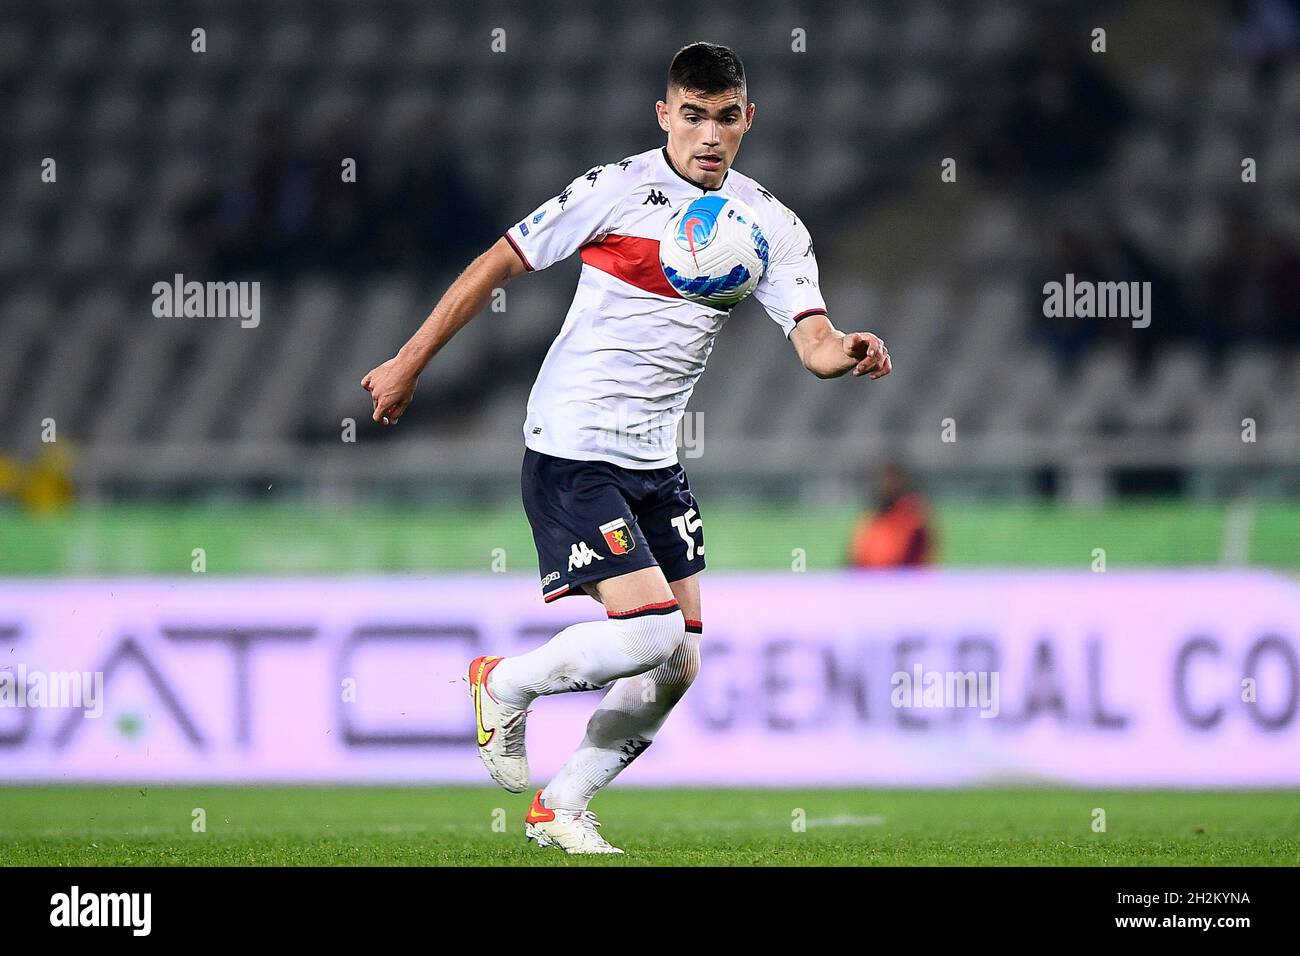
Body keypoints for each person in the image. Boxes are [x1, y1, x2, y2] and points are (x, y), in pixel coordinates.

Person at [361, 43, 892, 854]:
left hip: (655, 461)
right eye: (691, 115)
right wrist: (407, 361)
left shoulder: (771, 227)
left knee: (678, 663)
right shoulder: (614, 188)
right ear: (663, 115)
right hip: (573, 443)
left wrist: (850, 348)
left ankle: (561, 805)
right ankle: (501, 683)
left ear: (748, 119)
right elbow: (498, 262)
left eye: (723, 118)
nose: (707, 135)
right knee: (648, 633)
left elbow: (813, 345)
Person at [849, 462, 933, 568]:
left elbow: (906, 551)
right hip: (871, 576)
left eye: (892, 480)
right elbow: (859, 550)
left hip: (902, 576)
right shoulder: (873, 516)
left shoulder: (911, 512)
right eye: (885, 480)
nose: (888, 485)